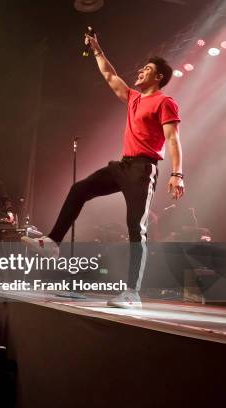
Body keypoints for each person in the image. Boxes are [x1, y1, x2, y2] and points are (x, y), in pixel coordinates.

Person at [23, 30, 184, 309]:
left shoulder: (164, 102)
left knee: (136, 227)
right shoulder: (134, 97)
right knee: (79, 189)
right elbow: (110, 75)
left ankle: (132, 293)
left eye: (147, 69)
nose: (141, 71)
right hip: (123, 165)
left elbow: (173, 139)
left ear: (158, 77)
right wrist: (97, 49)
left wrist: (177, 173)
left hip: (143, 170)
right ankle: (52, 241)